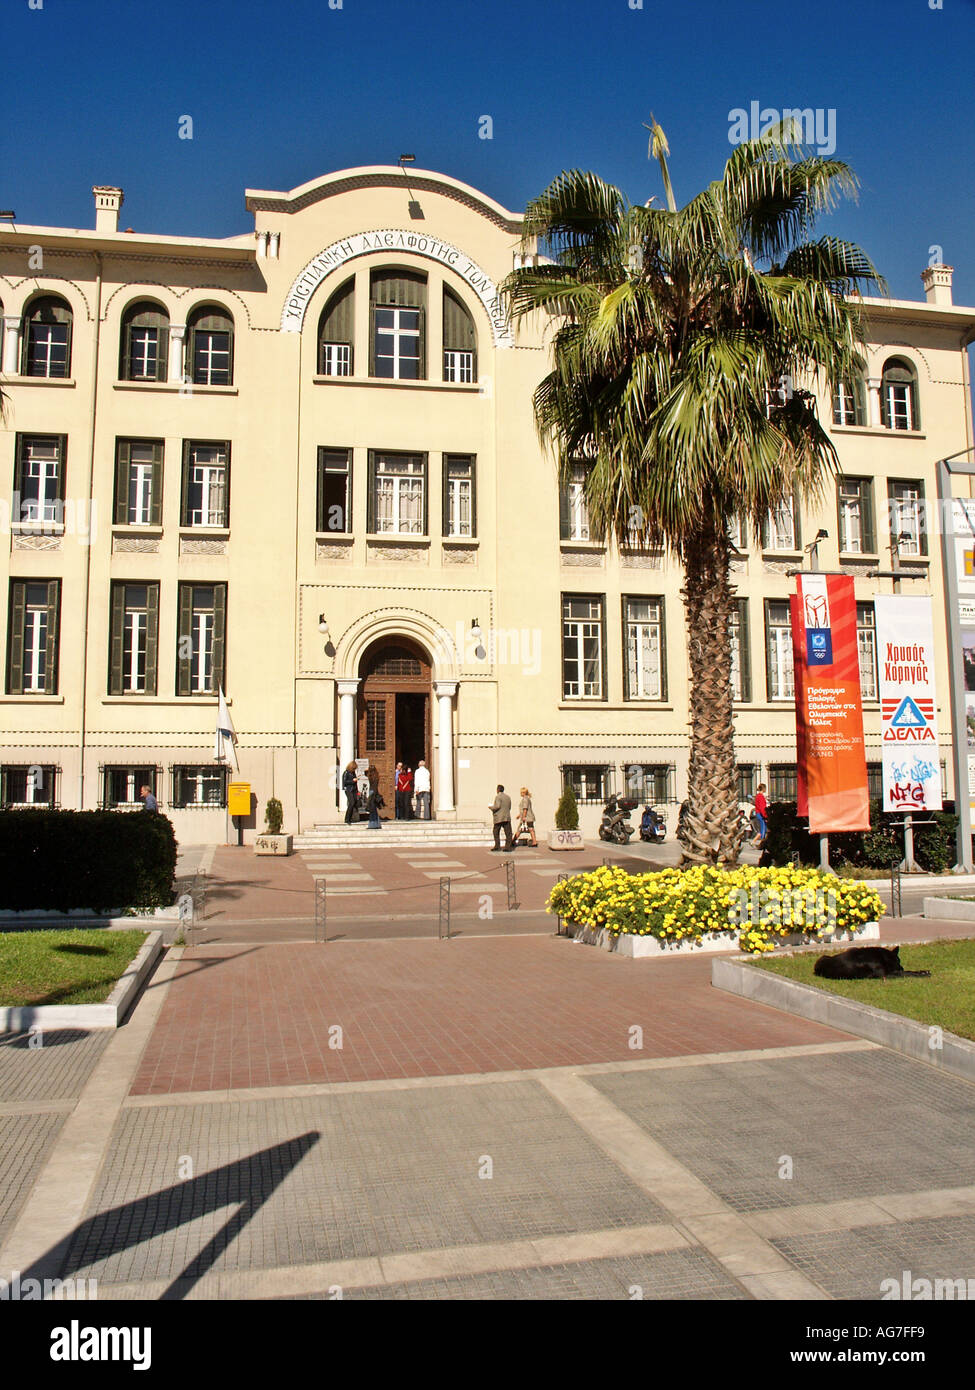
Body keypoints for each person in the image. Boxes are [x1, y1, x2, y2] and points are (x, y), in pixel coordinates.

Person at [489, 784, 513, 852]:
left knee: (496, 832)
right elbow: (509, 807)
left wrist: (491, 807)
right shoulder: (508, 797)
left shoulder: (498, 797)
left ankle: (497, 846)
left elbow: (497, 806)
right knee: (508, 833)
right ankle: (508, 847)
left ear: (498, 789)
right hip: (506, 817)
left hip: (499, 817)